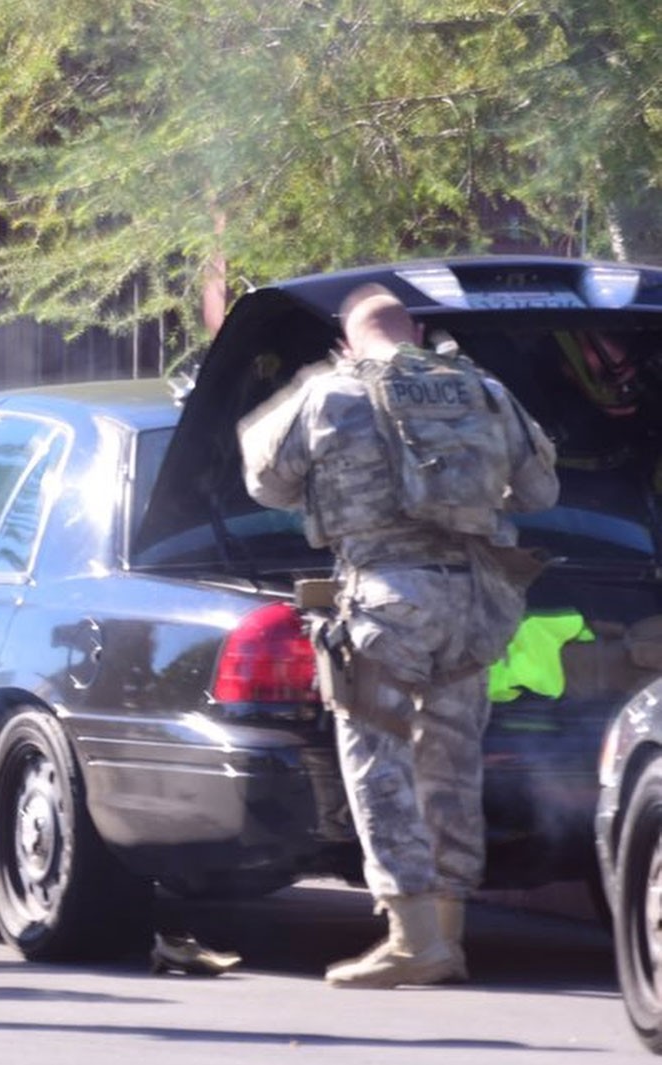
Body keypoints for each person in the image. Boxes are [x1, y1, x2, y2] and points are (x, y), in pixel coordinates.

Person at [238, 283, 559, 989]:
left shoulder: (330, 393)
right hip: (475, 601)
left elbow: (265, 481)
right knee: (452, 764)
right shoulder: (486, 391)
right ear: (415, 331)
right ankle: (450, 933)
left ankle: (412, 939)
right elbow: (541, 495)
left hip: (384, 598)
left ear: (348, 341)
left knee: (379, 763)